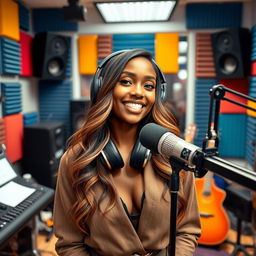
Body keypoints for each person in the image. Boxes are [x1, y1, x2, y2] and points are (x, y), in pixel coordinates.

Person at [53, 49, 201, 256]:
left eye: (149, 86)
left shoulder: (173, 154)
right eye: (126, 82)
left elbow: (187, 230)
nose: (139, 92)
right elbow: (69, 244)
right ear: (102, 88)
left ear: (158, 94)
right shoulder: (75, 159)